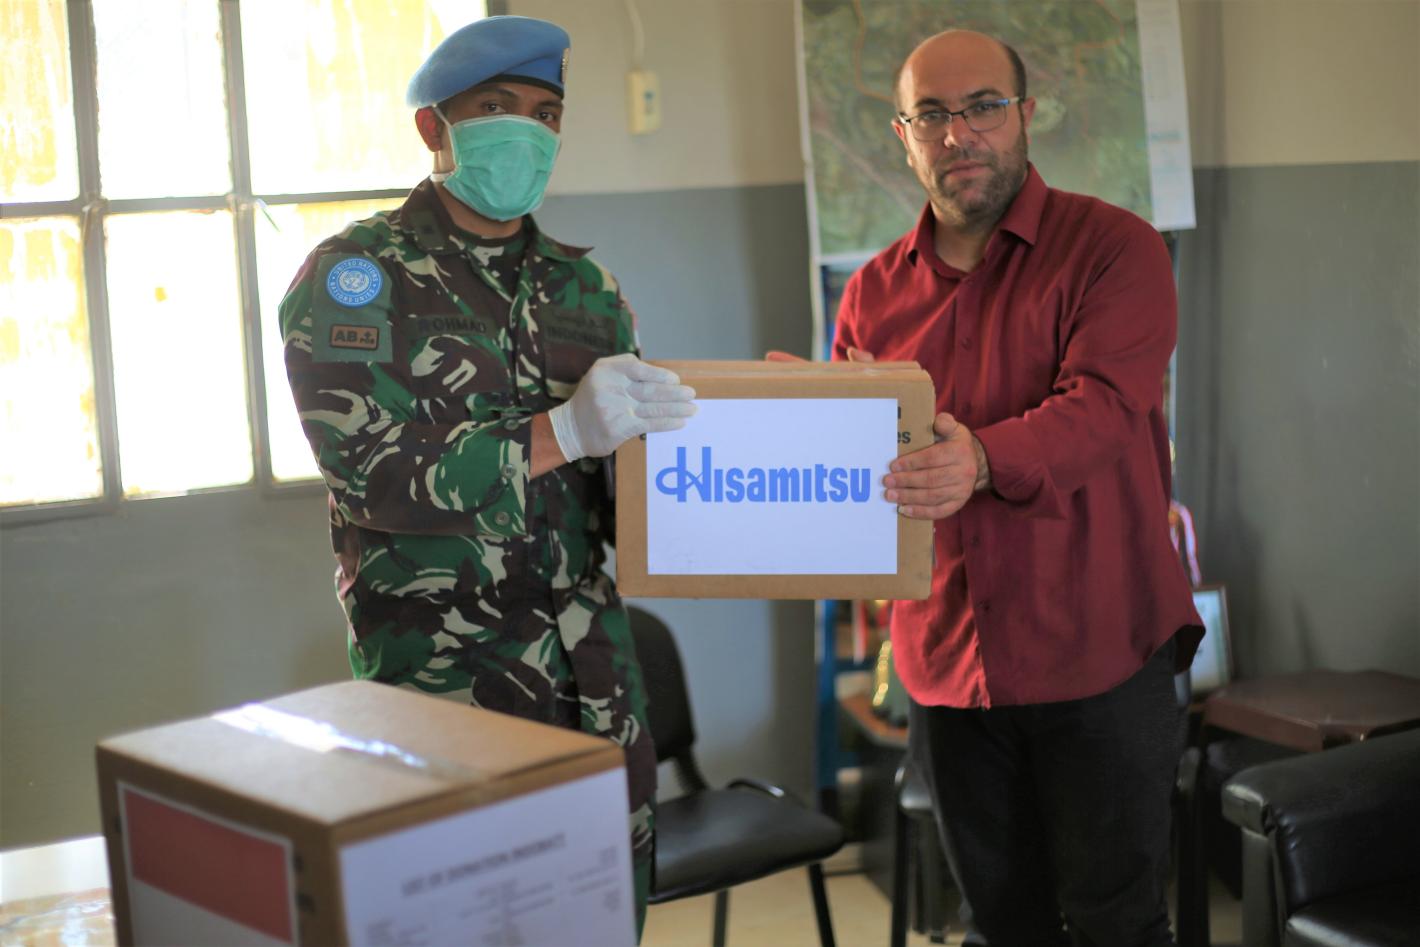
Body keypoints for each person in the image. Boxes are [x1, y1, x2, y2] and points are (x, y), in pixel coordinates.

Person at [277, 15, 696, 938]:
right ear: (434, 126)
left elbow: (624, 496)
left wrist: (751, 444)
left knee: (599, 921)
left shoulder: (586, 289)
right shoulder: (357, 277)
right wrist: (561, 430)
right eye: (497, 107)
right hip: (444, 689)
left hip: (595, 688)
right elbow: (370, 472)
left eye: (546, 114)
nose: (527, 131)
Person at [831, 30, 1203, 946]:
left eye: (983, 108)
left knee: (1118, 923)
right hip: (948, 664)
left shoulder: (1115, 250)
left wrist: (982, 460)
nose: (959, 135)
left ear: (1026, 116)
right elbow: (855, 463)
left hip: (1099, 647)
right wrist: (795, 425)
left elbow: (1103, 408)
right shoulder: (872, 295)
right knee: (1001, 925)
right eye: (931, 116)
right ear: (903, 137)